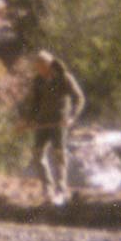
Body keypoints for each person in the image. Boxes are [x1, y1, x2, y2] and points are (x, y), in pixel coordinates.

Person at [21, 50, 86, 207]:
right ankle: (47, 187)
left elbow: (79, 98)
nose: (38, 69)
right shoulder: (38, 80)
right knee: (37, 155)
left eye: (40, 66)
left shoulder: (64, 78)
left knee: (59, 154)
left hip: (59, 122)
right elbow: (34, 103)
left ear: (48, 65)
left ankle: (61, 188)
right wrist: (28, 121)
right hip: (42, 123)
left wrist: (71, 117)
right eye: (37, 66)